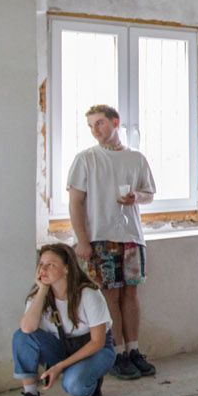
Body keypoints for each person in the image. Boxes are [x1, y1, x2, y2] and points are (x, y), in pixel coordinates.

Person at [68, 103, 157, 379]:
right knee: (110, 295)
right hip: (100, 237)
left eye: (100, 123)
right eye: (91, 125)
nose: (95, 130)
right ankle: (117, 353)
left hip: (131, 236)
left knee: (130, 293)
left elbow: (149, 193)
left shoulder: (136, 158)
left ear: (115, 122)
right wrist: (82, 241)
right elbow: (75, 203)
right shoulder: (86, 159)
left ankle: (133, 350)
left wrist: (136, 197)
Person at [12, 244, 117, 396]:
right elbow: (26, 329)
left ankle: (91, 384)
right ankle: (30, 395)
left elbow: (97, 342)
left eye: (51, 265)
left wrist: (60, 366)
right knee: (21, 336)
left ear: (66, 269)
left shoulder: (88, 294)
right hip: (61, 346)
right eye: (41, 264)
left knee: (74, 385)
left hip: (94, 349)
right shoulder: (38, 295)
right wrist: (42, 290)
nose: (43, 269)